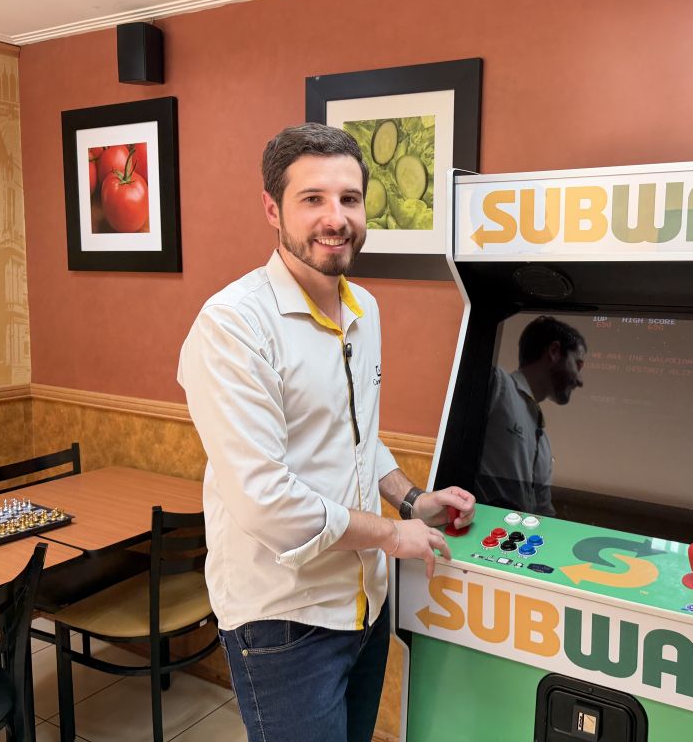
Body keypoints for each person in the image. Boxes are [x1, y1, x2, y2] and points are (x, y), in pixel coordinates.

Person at [178, 123, 475, 742]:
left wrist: (413, 499)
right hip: (284, 621)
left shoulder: (364, 310)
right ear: (272, 208)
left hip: (364, 600)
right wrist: (394, 533)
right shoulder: (233, 326)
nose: (334, 218)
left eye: (349, 198)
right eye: (312, 199)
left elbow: (358, 436)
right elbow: (267, 503)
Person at [473, 315, 586, 516]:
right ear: (554, 351)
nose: (580, 381)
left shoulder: (543, 443)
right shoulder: (496, 384)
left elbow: (544, 510)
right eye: (577, 365)